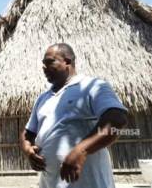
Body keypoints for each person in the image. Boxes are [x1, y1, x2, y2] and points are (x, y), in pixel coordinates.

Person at [20, 43, 128, 188]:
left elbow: (116, 118)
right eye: (43, 64)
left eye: (50, 62)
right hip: (49, 183)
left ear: (68, 61)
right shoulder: (43, 98)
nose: (44, 67)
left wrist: (81, 150)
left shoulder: (92, 86)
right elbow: (28, 133)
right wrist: (27, 150)